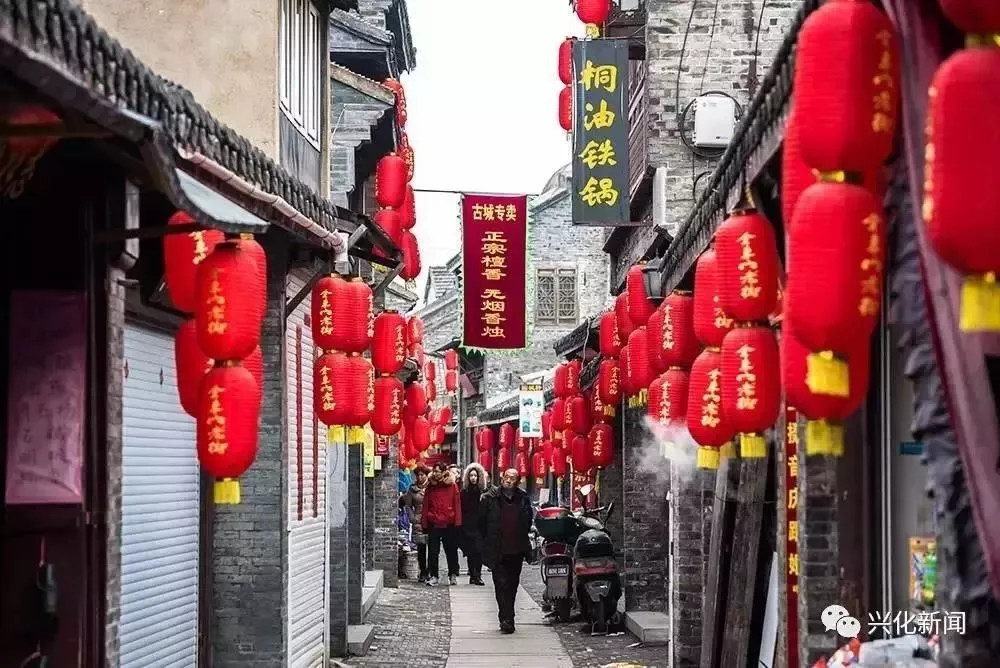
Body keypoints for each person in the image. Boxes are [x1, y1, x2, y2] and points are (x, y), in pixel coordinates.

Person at [479, 468, 534, 634]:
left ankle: (509, 616)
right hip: (498, 549)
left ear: (517, 481)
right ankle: (506, 618)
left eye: (512, 478)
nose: (509, 481)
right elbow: (481, 524)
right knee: (501, 584)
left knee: (512, 584)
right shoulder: (490, 498)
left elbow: (528, 520)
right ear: (502, 479)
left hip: (516, 549)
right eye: (506, 477)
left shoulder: (523, 498)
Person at [422, 464, 463, 586]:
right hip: (434, 522)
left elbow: (457, 504)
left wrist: (457, 522)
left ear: (444, 472)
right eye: (434, 471)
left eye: (438, 471)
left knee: (451, 551)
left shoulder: (452, 486)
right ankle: (434, 575)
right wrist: (425, 522)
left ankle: (453, 574)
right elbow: (426, 504)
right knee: (433, 552)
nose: (435, 473)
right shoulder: (430, 486)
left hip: (449, 523)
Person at [399, 465, 430, 582]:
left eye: (422, 475)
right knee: (421, 548)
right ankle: (423, 571)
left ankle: (431, 571)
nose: (420, 477)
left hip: (431, 519)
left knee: (433, 548)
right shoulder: (412, 489)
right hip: (418, 521)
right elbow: (408, 506)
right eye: (418, 475)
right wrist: (412, 518)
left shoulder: (432, 487)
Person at [460, 463, 487, 586]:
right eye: (471, 475)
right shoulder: (464, 492)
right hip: (468, 525)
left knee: (479, 551)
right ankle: (472, 574)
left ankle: (478, 575)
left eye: (475, 475)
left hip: (480, 525)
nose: (473, 478)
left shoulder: (483, 493)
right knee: (470, 552)